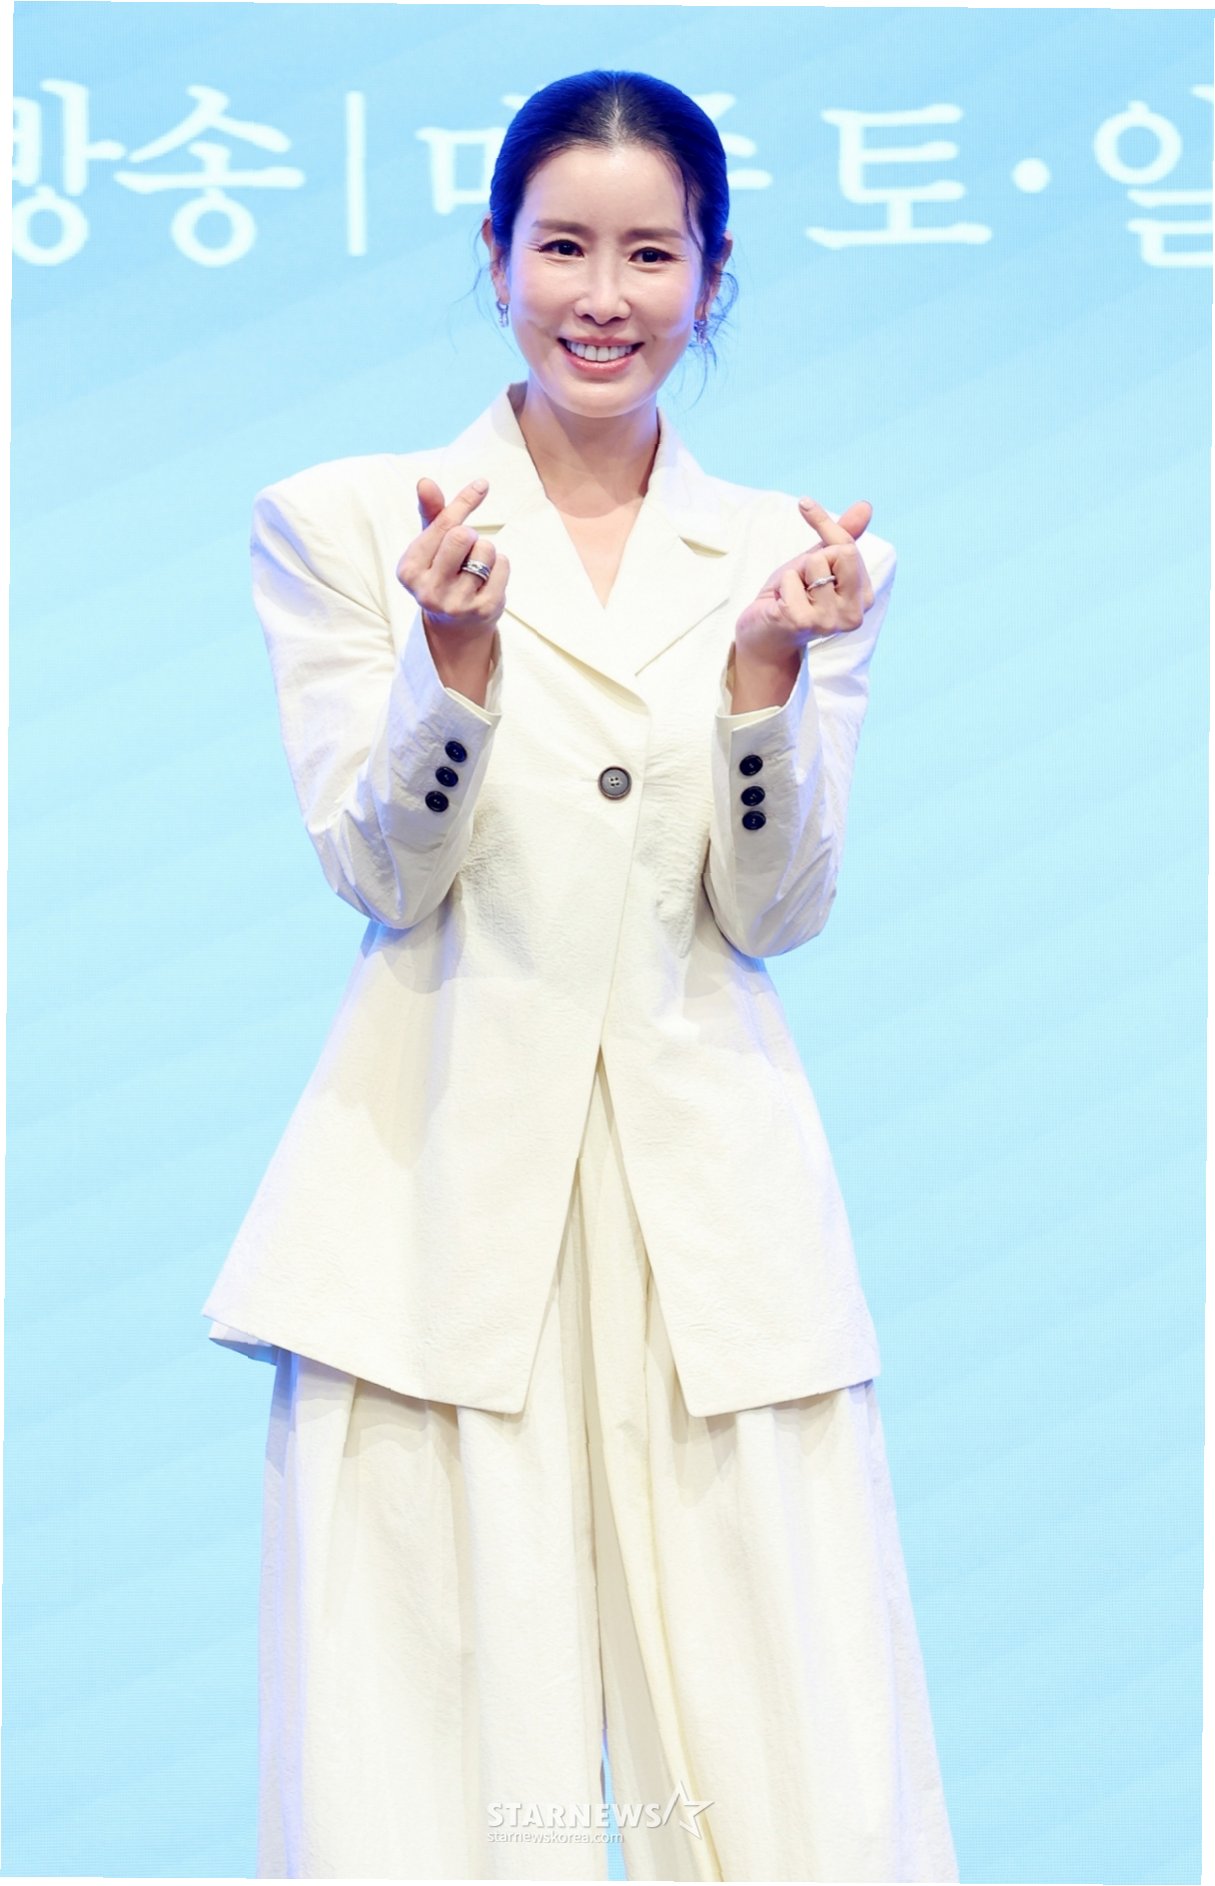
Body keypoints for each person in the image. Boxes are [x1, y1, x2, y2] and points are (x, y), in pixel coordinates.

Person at [201, 67, 960, 1883]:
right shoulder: (348, 523)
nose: (601, 297)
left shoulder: (800, 557)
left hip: (715, 1222)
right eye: (561, 248)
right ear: (495, 258)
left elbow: (775, 911)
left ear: (712, 273)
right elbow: (380, 870)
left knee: (795, 1780)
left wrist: (768, 684)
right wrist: (448, 665)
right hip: (435, 1206)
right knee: (425, 1796)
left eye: (648, 253)